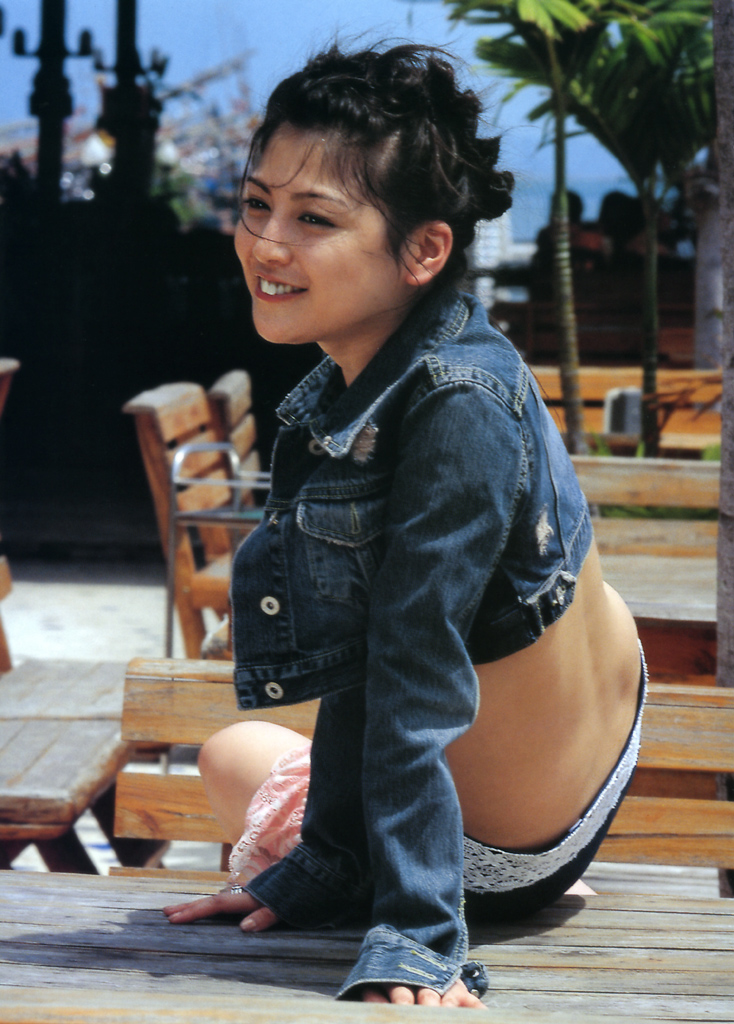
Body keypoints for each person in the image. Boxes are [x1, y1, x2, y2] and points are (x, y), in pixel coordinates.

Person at [163, 42, 644, 1009]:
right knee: (241, 748)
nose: (266, 244)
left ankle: (416, 883)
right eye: (256, 205)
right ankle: (361, 856)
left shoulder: (456, 402)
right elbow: (370, 654)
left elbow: (410, 676)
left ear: (424, 251)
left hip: (503, 848)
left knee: (236, 754)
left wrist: (417, 937)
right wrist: (316, 870)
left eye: (313, 218)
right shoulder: (417, 368)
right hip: (581, 763)